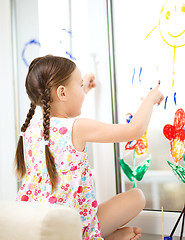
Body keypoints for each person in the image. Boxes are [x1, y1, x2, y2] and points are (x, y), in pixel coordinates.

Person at [14, 55, 164, 240]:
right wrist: (150, 99)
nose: (82, 92)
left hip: (39, 228)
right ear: (62, 93)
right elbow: (134, 130)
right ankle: (98, 237)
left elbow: (61, 105)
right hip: (74, 230)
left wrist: (81, 86)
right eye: (78, 85)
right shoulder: (76, 127)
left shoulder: (30, 131)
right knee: (137, 197)